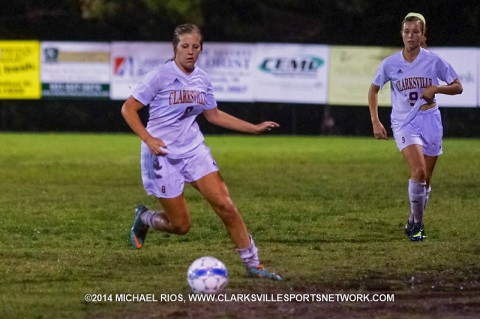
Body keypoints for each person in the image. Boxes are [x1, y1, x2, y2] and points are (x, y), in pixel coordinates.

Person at [121, 23, 282, 280]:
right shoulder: (160, 76)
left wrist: (253, 128)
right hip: (162, 154)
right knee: (181, 226)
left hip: (194, 150)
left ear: (201, 49)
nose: (190, 51)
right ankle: (146, 218)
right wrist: (148, 139)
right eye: (185, 46)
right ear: (175, 48)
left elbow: (214, 115)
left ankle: (254, 264)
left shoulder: (202, 79)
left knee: (226, 205)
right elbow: (128, 109)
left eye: (196, 47)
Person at [368, 13, 463, 241]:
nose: (411, 36)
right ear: (402, 34)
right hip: (404, 122)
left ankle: (412, 218)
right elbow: (373, 90)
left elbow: (458, 87)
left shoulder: (434, 61)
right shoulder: (390, 64)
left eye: (415, 32)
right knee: (418, 172)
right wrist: (375, 120)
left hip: (430, 121)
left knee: (426, 180)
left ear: (422, 35)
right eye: (407, 31)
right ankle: (418, 226)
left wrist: (437, 89)